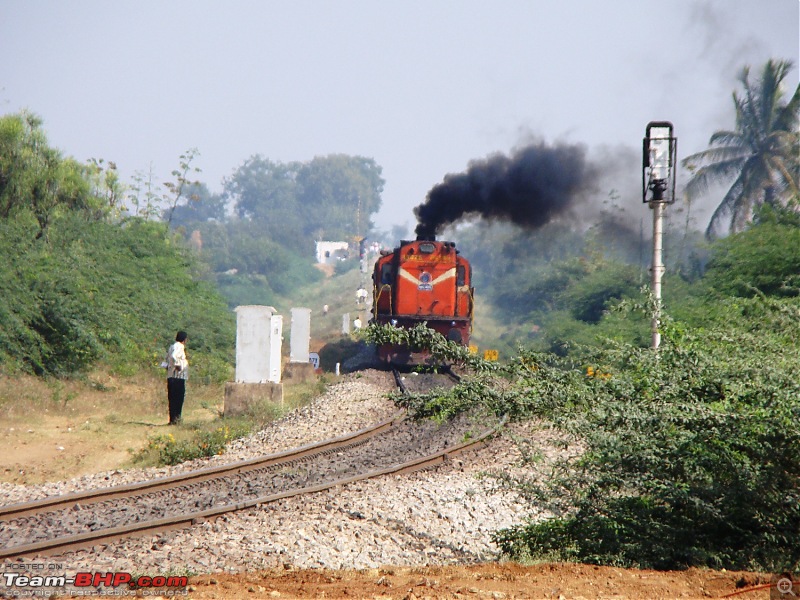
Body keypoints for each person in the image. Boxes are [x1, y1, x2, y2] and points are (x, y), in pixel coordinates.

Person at [166, 331, 189, 424]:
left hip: (171, 376)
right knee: (178, 399)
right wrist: (177, 365)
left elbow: (167, 358)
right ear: (184, 339)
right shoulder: (179, 346)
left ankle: (172, 420)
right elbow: (174, 356)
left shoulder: (171, 347)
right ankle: (177, 420)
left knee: (172, 399)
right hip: (178, 377)